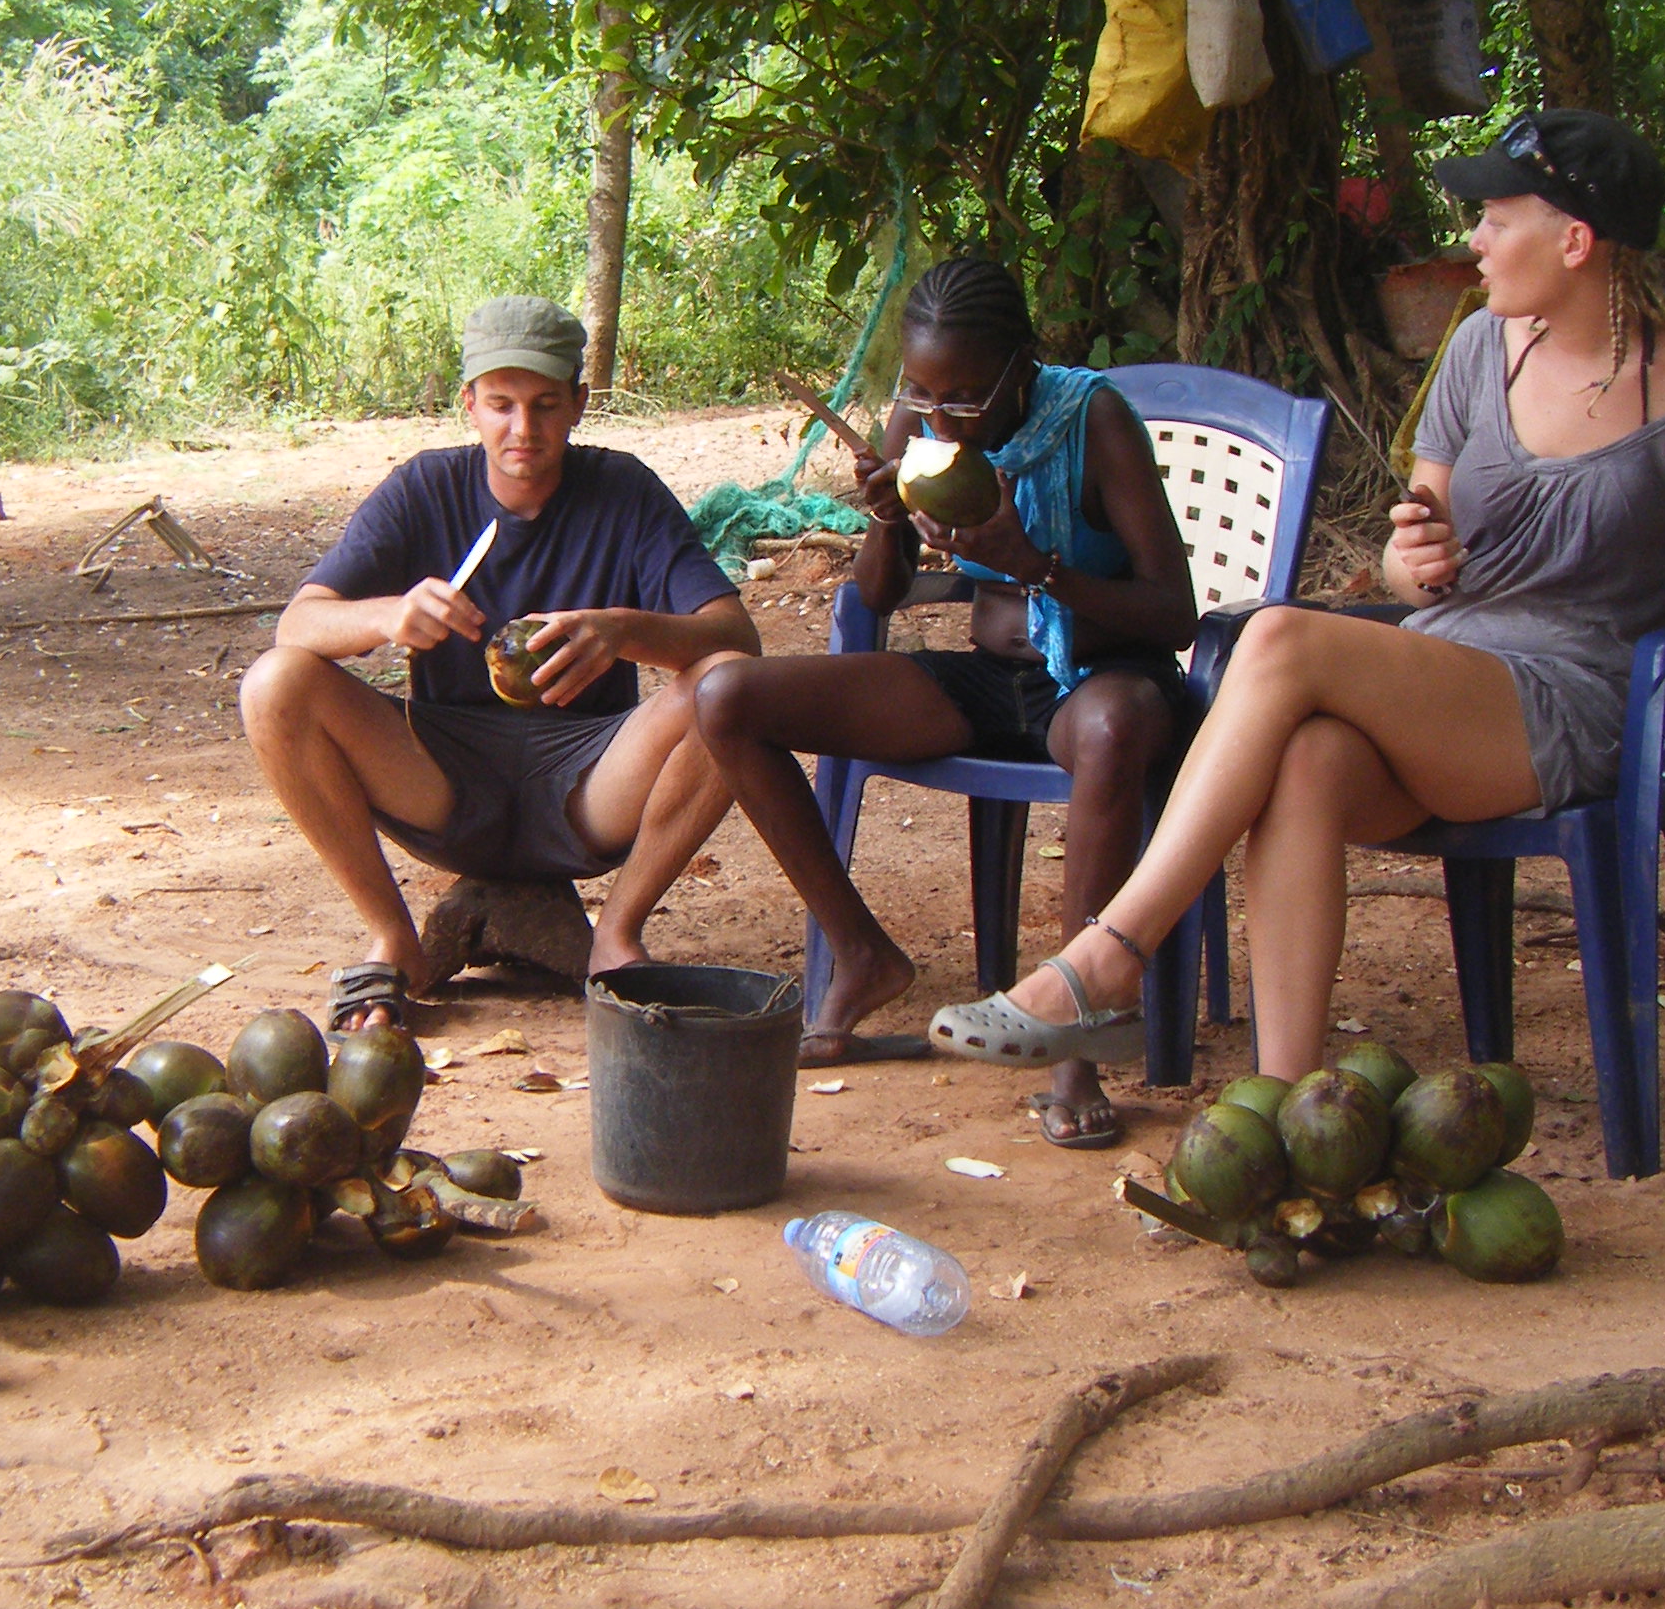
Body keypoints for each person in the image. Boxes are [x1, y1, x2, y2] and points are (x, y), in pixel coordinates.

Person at [971, 110, 1665, 1076]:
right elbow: (1412, 561)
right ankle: (1286, 1107)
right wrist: (1412, 564)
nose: (1473, 242)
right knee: (1305, 760)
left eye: (1497, 220)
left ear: (1575, 240)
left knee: (1279, 639)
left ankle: (1112, 952)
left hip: (1581, 701)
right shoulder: (1477, 352)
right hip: (1447, 677)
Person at [688, 257, 1196, 1145]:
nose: (935, 415)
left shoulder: (1094, 419)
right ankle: (861, 951)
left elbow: (1173, 610)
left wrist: (1034, 563)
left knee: (1114, 726)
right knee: (728, 694)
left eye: (963, 397)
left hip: (1102, 682)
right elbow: (878, 599)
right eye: (919, 390)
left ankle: (1074, 1038)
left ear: (1022, 366)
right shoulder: (920, 414)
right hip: (988, 681)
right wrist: (884, 515)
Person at [242, 296, 762, 1030]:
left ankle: (615, 935)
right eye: (502, 404)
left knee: (728, 686)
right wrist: (385, 616)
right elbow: (297, 624)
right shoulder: (424, 488)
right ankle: (394, 939)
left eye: (547, 404)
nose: (523, 429)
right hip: (441, 776)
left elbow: (735, 634)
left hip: (589, 783)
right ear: (469, 404)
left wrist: (623, 631)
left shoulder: (623, 490)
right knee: (276, 684)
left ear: (580, 404)